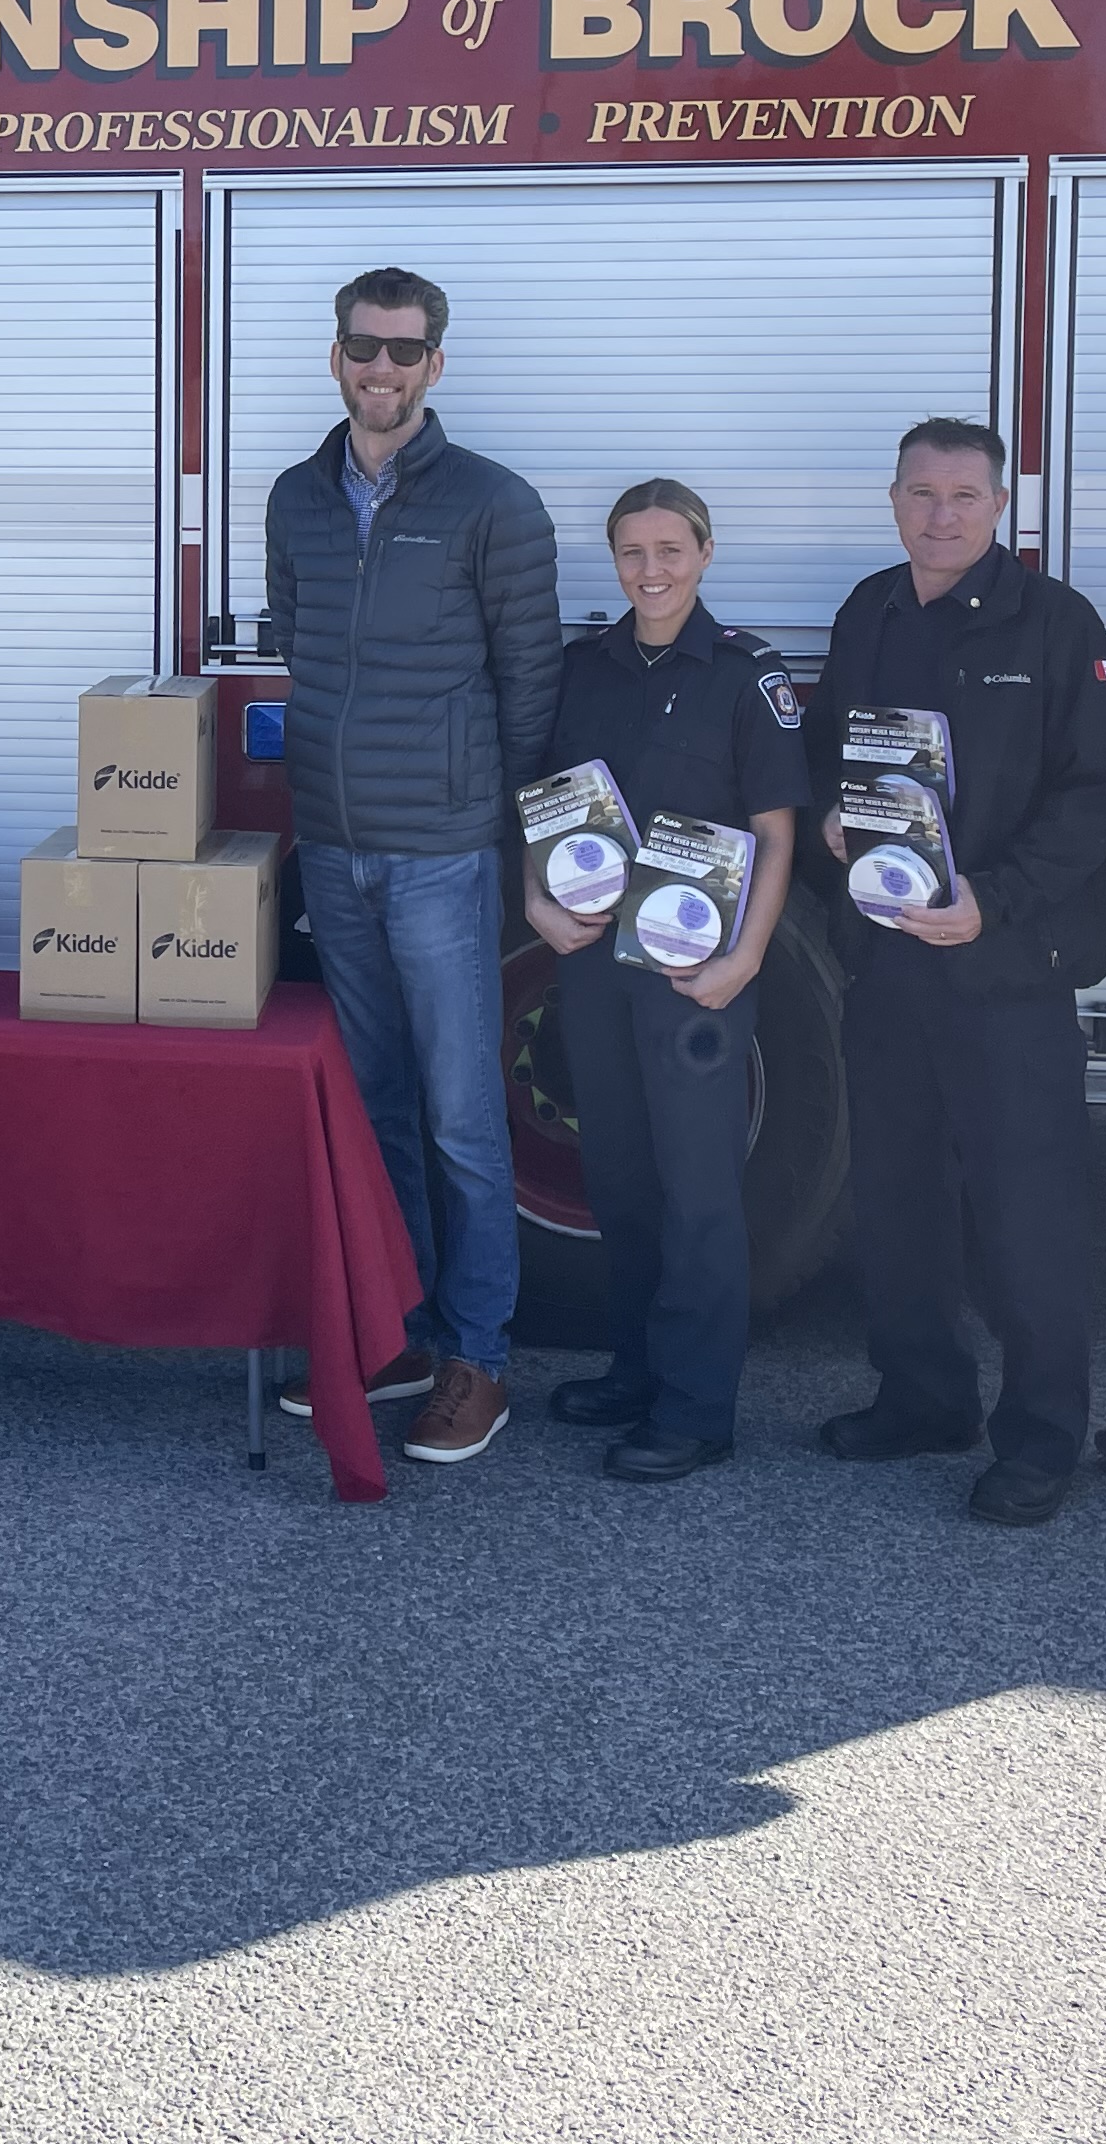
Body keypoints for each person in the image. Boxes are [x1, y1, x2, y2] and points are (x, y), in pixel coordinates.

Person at [809, 419, 1106, 1525]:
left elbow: (1095, 795)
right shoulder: (871, 611)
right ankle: (921, 1397)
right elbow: (830, 754)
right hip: (887, 961)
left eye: (962, 495)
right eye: (920, 493)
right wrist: (832, 825)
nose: (939, 515)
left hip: (1007, 967)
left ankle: (1041, 1439)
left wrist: (991, 901)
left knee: (1024, 1214)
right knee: (896, 1196)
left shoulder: (1058, 624)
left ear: (1003, 506)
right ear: (892, 498)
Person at [262, 266, 560, 1470]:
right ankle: (397, 1333)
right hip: (333, 846)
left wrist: (495, 828)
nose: (380, 370)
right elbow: (294, 638)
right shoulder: (295, 496)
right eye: (362, 349)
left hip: (440, 855)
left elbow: (529, 683)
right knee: (375, 1107)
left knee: (461, 1120)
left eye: (403, 350)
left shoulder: (495, 502)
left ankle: (477, 1359)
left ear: (437, 363)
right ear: (335, 356)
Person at [524, 479, 806, 1485]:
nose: (652, 571)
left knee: (697, 1191)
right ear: (615, 561)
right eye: (633, 553)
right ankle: (636, 1367)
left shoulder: (745, 676)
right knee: (623, 1180)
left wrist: (747, 959)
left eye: (671, 551)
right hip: (596, 962)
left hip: (697, 975)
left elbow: (776, 836)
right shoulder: (582, 670)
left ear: (706, 553)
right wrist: (535, 904)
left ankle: (696, 1407)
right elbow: (546, 806)